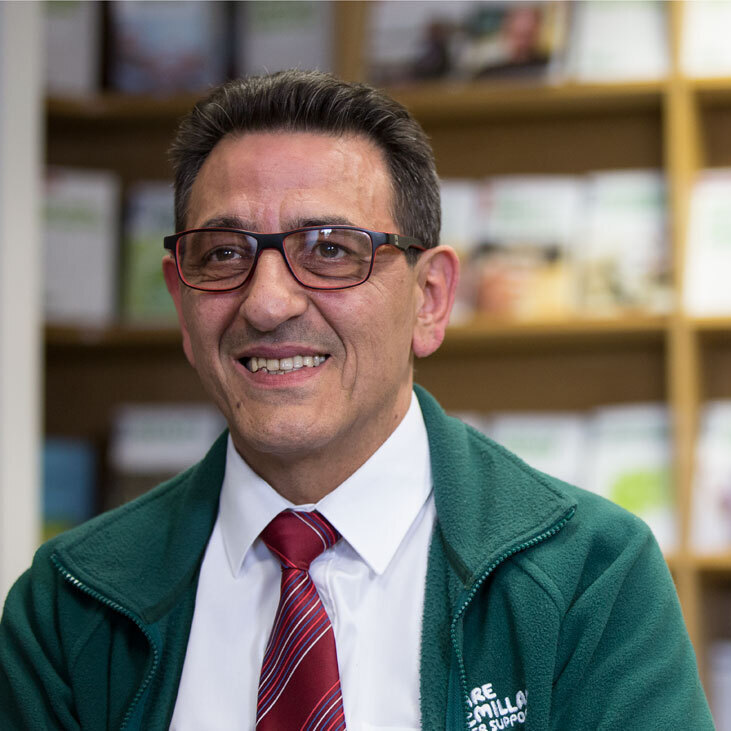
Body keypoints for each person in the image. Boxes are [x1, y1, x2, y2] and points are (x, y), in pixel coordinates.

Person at [0, 70, 713, 730]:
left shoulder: (587, 574)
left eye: (330, 249)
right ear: (181, 298)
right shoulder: (68, 605)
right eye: (222, 253)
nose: (268, 302)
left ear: (429, 300)